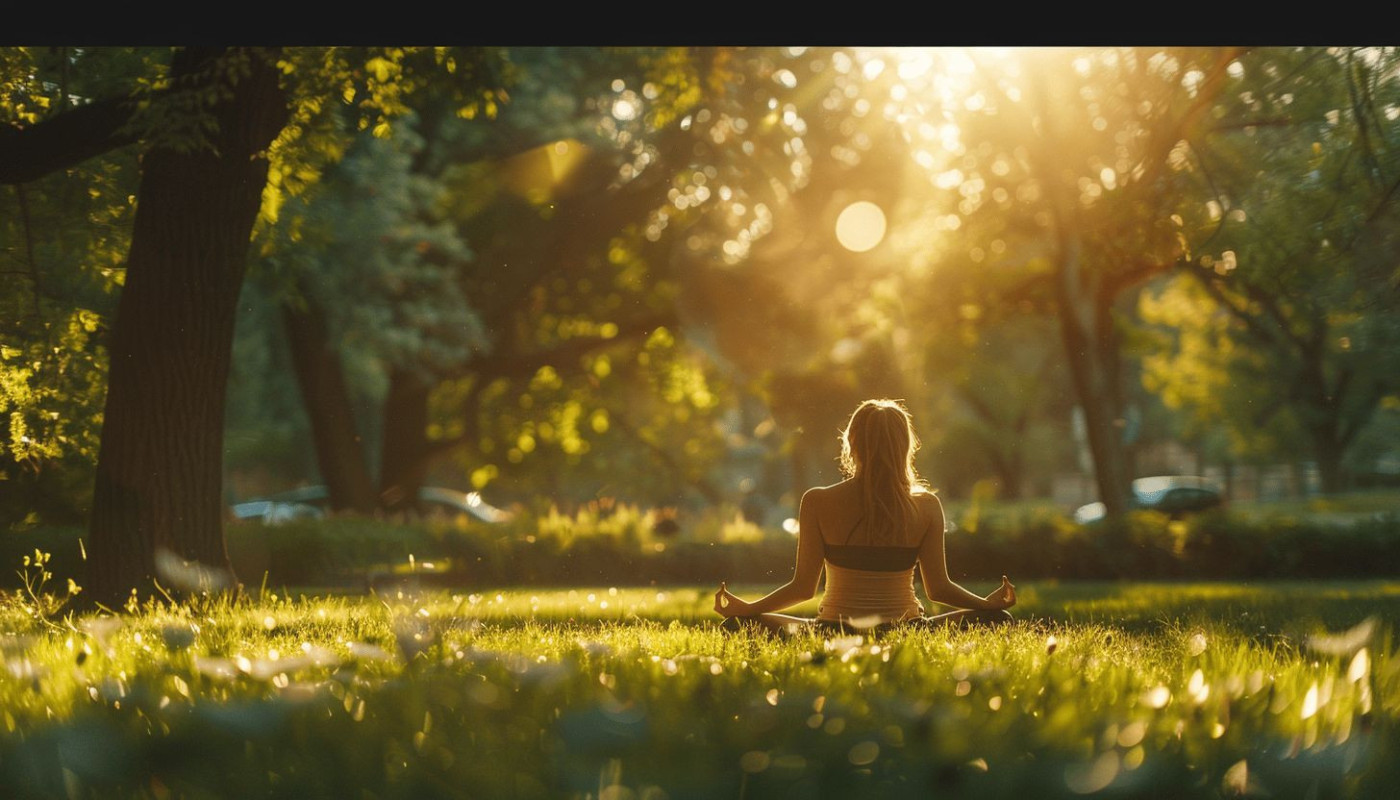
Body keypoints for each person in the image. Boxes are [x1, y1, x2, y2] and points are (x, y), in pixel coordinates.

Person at [714, 398, 1016, 636]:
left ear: (852, 443)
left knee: (735, 627)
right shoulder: (925, 506)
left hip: (832, 633)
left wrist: (749, 609)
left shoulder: (817, 501)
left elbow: (803, 588)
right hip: (906, 631)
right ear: (905, 447)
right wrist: (986, 605)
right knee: (998, 619)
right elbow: (938, 589)